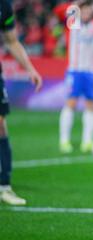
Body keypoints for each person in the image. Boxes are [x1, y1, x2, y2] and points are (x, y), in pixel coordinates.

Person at [0, 0, 42, 205]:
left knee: (0, 125)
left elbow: (11, 40)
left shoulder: (4, 6)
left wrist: (30, 68)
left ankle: (4, 186)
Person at [55, 0, 93, 154]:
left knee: (91, 106)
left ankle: (87, 141)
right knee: (70, 103)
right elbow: (59, 10)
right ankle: (64, 140)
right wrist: (78, 3)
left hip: (91, 72)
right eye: (82, 11)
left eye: (88, 11)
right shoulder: (73, 23)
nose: (85, 13)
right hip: (75, 70)